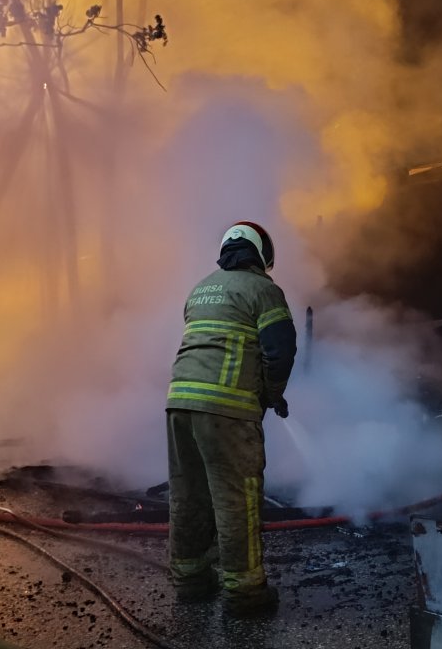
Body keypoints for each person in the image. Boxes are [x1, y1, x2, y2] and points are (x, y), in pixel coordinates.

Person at [165, 221, 297, 616]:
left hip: (178, 404)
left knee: (188, 494)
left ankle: (190, 581)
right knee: (237, 499)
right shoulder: (264, 290)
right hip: (226, 409)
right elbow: (281, 350)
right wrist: (272, 396)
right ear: (261, 256)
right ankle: (245, 595)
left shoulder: (200, 289)